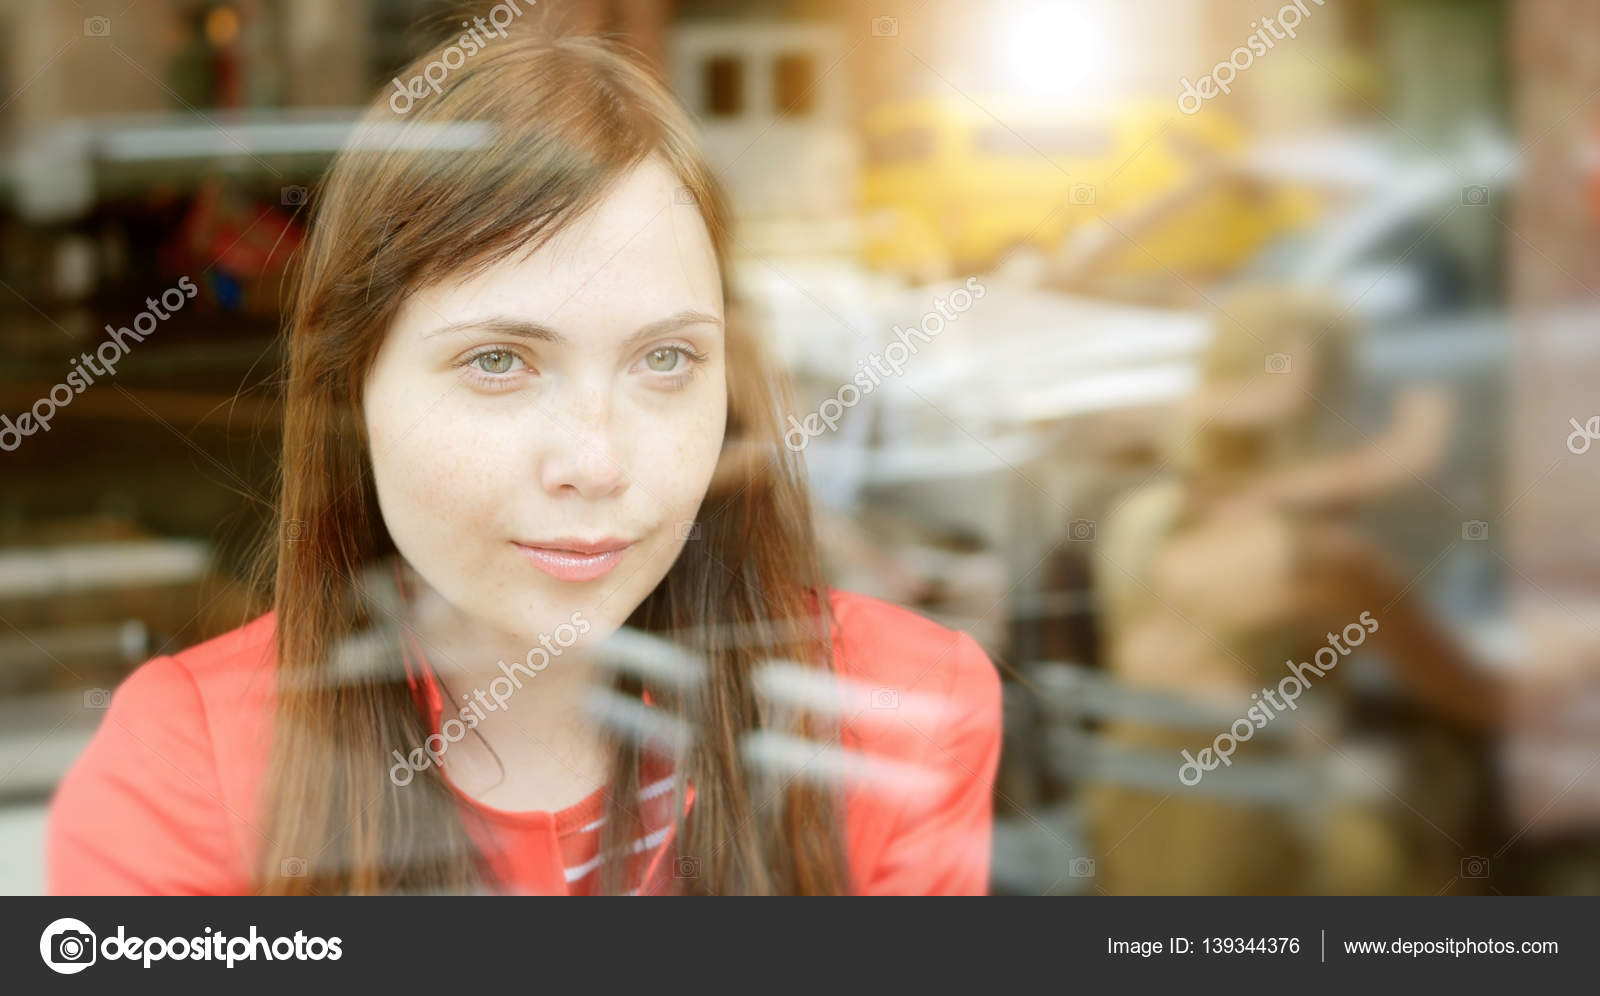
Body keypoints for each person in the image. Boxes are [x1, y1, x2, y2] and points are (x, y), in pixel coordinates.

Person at [47, 22, 1000, 896]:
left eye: (666, 359)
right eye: (498, 361)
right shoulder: (188, 766)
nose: (596, 461)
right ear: (351, 392)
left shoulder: (898, 708)